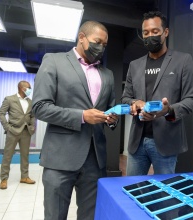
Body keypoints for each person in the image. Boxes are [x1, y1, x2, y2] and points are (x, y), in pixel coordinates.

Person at [32, 21, 118, 220]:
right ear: (81, 37)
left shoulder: (108, 75)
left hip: (95, 160)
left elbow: (109, 109)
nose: (101, 48)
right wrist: (81, 116)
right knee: (55, 216)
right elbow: (40, 107)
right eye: (98, 42)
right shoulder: (53, 61)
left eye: (105, 45)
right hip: (60, 158)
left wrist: (111, 119)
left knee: (90, 216)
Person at [121, 11, 193, 176]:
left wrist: (168, 110)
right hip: (137, 142)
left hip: (166, 142)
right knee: (132, 190)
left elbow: (192, 100)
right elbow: (126, 98)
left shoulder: (183, 61)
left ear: (166, 32)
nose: (150, 36)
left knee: (164, 196)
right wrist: (135, 103)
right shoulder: (134, 65)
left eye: (155, 32)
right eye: (146, 33)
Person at [0, 80, 36, 190]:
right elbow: (1, 113)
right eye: (28, 88)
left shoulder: (30, 101)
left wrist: (32, 126)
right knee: (7, 155)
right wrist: (7, 128)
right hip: (13, 131)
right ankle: (4, 179)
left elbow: (33, 116)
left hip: (26, 132)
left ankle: (24, 177)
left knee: (25, 155)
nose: (30, 90)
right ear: (22, 88)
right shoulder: (9, 99)